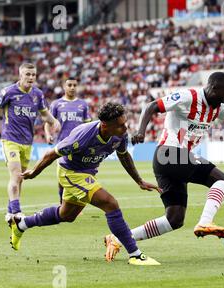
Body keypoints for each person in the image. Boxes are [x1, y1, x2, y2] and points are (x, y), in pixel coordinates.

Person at [103, 71, 224, 261]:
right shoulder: (187, 96)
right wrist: (141, 131)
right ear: (213, 88)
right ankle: (205, 222)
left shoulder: (219, 107)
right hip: (169, 153)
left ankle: (118, 239)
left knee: (174, 219)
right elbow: (151, 107)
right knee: (222, 180)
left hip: (171, 161)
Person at [11, 102, 161, 266]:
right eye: (120, 125)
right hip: (70, 172)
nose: (125, 128)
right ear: (105, 125)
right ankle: (135, 254)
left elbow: (123, 155)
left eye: (125, 123)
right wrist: (34, 171)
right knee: (110, 203)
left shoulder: (120, 134)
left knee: (66, 215)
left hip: (87, 173)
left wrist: (139, 181)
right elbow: (51, 154)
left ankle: (22, 224)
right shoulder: (83, 136)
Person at [0, 63, 60, 225]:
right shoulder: (8, 92)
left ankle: (9, 211)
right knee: (16, 174)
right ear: (20, 75)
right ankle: (17, 211)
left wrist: (54, 121)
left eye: (33, 75)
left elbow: (45, 115)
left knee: (20, 179)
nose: (31, 78)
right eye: (28, 74)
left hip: (27, 142)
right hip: (10, 139)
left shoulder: (38, 95)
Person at [44, 77, 92, 203]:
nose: (72, 87)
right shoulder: (56, 104)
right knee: (62, 177)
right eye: (69, 85)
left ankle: (75, 204)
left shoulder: (83, 105)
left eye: (74, 85)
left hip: (80, 145)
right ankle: (62, 202)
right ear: (64, 87)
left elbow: (88, 125)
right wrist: (48, 134)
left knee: (80, 174)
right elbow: (48, 122)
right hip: (62, 144)